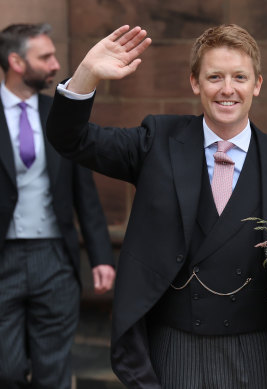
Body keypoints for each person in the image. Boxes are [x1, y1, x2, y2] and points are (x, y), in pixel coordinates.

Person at [45, 24, 267, 389]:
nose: (227, 89)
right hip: (173, 348)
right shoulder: (156, 141)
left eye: (240, 77)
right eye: (214, 77)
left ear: (257, 84)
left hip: (253, 351)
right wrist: (87, 74)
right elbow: (71, 139)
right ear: (195, 82)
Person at [0, 23, 115, 389]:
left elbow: (85, 191)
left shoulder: (60, 116)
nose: (55, 64)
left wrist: (99, 255)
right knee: (6, 370)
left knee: (54, 371)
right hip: (3, 259)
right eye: (45, 57)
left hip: (56, 258)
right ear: (16, 61)